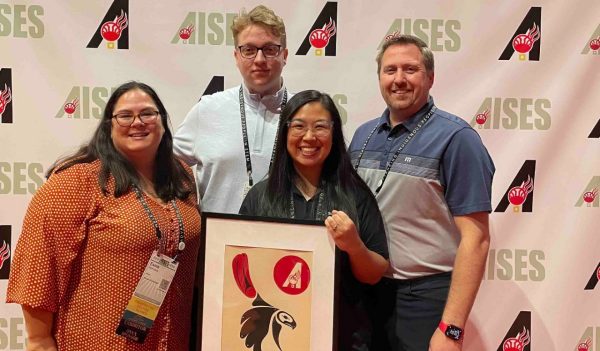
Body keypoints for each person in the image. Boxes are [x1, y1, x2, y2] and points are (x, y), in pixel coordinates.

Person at [6, 81, 201, 350]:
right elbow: (39, 267)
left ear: (163, 121)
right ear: (109, 125)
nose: (137, 122)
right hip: (98, 340)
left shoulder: (183, 177)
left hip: (172, 340)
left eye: (147, 113)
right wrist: (39, 340)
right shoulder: (77, 181)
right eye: (125, 115)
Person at [349, 34, 494, 351]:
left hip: (428, 299)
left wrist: (451, 329)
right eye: (390, 70)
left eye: (410, 69)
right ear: (380, 78)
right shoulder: (362, 136)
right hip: (369, 295)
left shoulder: (457, 139)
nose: (399, 79)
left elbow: (477, 238)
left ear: (430, 77)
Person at [240, 90, 389, 350]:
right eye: (298, 126)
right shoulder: (260, 196)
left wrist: (354, 246)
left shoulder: (355, 194)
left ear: (334, 133)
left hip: (343, 335)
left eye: (320, 127)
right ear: (285, 133)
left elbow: (374, 274)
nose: (309, 137)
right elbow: (240, 266)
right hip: (276, 337)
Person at [174, 5, 290, 214]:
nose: (259, 60)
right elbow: (162, 166)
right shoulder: (208, 109)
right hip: (217, 243)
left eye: (270, 50)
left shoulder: (303, 114)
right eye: (249, 50)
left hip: (285, 243)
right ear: (236, 56)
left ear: (285, 55)